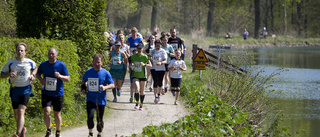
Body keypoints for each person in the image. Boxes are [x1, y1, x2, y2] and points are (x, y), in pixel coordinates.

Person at [1, 42, 37, 137]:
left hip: (26, 89)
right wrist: (9, 74)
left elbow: (35, 68)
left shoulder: (30, 62)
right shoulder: (10, 63)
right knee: (16, 114)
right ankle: (22, 129)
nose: (20, 52)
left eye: (22, 50)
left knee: (21, 111)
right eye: (18, 50)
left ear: (25, 52)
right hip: (15, 90)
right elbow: (1, 74)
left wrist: (32, 75)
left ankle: (17, 133)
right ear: (16, 51)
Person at [36, 48, 70, 137]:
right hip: (46, 92)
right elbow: (38, 74)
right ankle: (48, 130)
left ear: (56, 55)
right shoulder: (44, 64)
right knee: (46, 112)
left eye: (53, 54)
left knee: (57, 114)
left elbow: (68, 79)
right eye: (49, 54)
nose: (51, 56)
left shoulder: (61, 65)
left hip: (58, 93)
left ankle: (58, 131)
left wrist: (60, 76)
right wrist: (41, 79)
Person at [81, 54, 115, 137]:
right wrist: (83, 88)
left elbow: (112, 85)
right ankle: (90, 133)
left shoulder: (106, 73)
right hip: (90, 98)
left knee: (99, 119)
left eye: (98, 62)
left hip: (101, 99)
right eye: (95, 62)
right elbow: (84, 81)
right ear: (93, 62)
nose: (97, 64)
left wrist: (105, 87)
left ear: (102, 63)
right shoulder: (88, 72)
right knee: (90, 116)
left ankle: (99, 133)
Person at [129, 43, 152, 110]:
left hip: (143, 76)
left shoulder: (145, 57)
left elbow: (150, 65)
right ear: (137, 49)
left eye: (140, 49)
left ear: (142, 49)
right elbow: (130, 64)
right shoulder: (133, 57)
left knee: (142, 92)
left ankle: (141, 105)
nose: (139, 50)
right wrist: (131, 67)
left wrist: (144, 64)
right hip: (135, 75)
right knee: (137, 88)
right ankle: (137, 103)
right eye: (138, 48)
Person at [150, 39, 167, 104]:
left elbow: (165, 60)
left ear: (160, 45)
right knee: (155, 81)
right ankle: (155, 96)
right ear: (155, 45)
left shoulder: (163, 51)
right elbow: (148, 56)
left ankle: (159, 94)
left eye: (159, 45)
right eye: (156, 45)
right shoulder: (152, 51)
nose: (157, 47)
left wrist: (161, 63)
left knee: (160, 83)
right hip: (153, 68)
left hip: (161, 69)